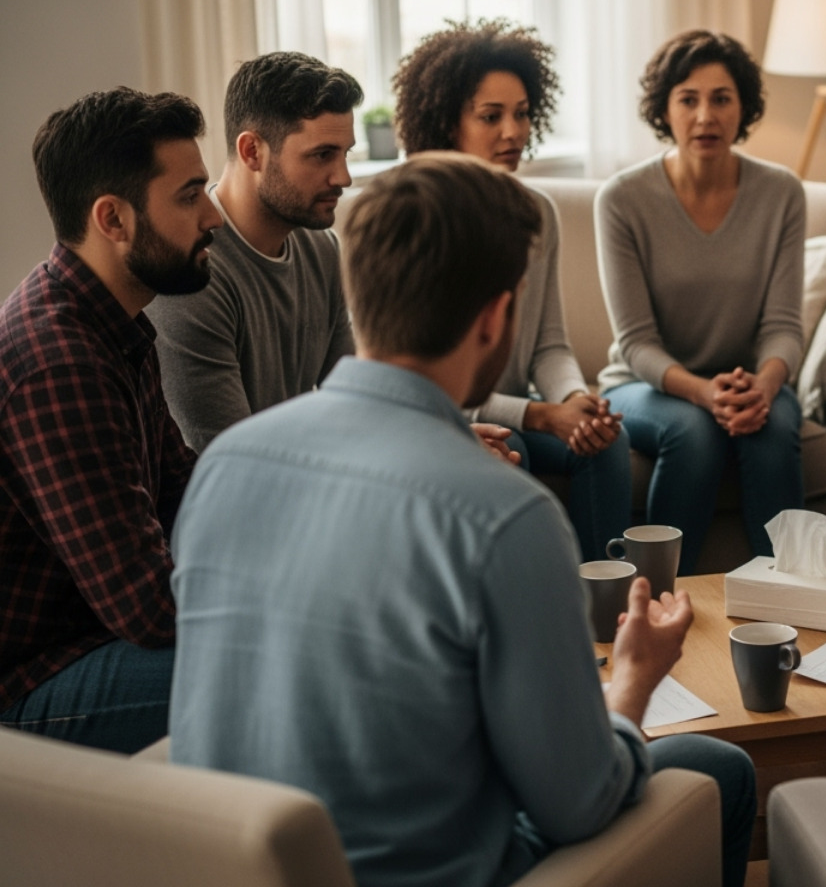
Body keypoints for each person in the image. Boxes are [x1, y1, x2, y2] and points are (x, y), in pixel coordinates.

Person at [167, 154, 756, 887]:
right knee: (720, 768)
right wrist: (633, 678)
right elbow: (579, 804)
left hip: (231, 863)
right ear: (495, 316)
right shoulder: (504, 515)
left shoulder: (227, 465)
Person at [0, 88, 218, 753]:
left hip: (95, 635)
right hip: (31, 681)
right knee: (277, 649)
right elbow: (151, 608)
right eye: (189, 196)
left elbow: (187, 490)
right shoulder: (61, 362)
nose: (213, 215)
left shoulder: (114, 322)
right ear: (113, 219)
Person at [394, 19, 629, 560]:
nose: (513, 132)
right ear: (447, 123)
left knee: (606, 443)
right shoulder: (417, 219)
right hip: (452, 419)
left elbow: (549, 344)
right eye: (491, 116)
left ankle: (610, 616)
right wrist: (544, 415)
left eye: (522, 113)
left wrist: (574, 401)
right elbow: (427, 380)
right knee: (512, 447)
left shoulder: (538, 214)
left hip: (524, 408)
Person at [596, 30, 804, 570]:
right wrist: (704, 394)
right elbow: (636, 343)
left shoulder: (781, 193)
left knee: (775, 425)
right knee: (694, 431)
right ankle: (658, 597)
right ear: (665, 109)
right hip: (645, 385)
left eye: (721, 98)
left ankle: (789, 604)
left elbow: (783, 324)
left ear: (744, 108)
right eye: (688, 99)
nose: (705, 116)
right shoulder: (621, 199)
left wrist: (764, 385)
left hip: (745, 382)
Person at [145, 52, 361, 452]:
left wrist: (427, 444)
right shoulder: (194, 273)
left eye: (346, 153)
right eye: (322, 155)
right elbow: (235, 460)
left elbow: (352, 401)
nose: (343, 177)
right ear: (252, 152)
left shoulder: (322, 248)